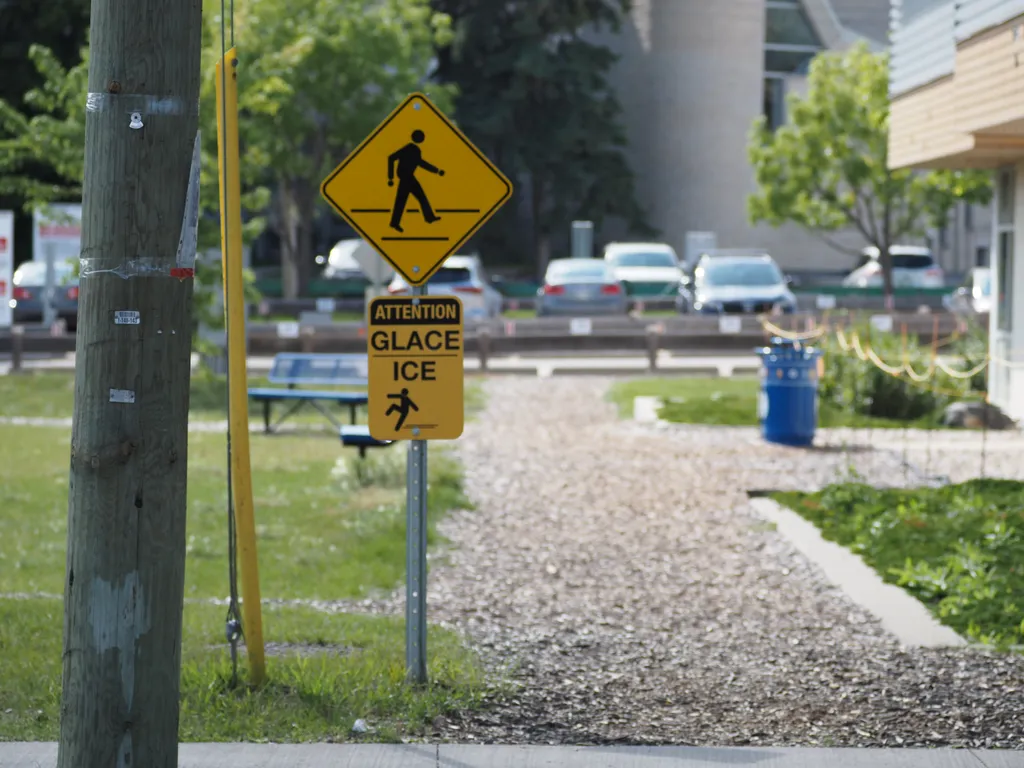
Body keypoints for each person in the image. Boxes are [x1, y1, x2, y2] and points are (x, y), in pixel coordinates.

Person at [387, 130, 445, 232]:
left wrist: (437, 171)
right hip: (406, 178)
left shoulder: (415, 150)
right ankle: (395, 223)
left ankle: (429, 217)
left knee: (419, 198)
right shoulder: (409, 149)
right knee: (402, 201)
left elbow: (421, 163)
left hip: (410, 178)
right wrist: (390, 177)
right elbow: (391, 158)